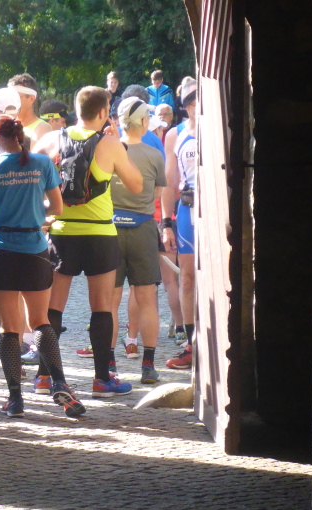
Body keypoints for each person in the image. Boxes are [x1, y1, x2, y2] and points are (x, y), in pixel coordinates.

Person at [0, 115, 85, 418]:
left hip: (0, 251)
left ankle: (15, 399)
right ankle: (59, 382)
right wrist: (35, 210)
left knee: (8, 329)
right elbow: (57, 207)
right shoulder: (42, 163)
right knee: (40, 321)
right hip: (34, 248)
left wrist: (2, 212)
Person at [33, 86, 143, 399]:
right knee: (102, 307)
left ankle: (44, 377)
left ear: (76, 110)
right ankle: (101, 379)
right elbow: (136, 185)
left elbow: (29, 173)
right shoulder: (109, 143)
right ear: (103, 113)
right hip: (99, 234)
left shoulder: (51, 140)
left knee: (53, 307)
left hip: (61, 231)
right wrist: (117, 146)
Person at [110, 97, 167, 385]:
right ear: (144, 122)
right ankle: (148, 364)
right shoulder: (154, 154)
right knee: (147, 299)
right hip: (143, 227)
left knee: (109, 301)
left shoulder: (107, 151)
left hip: (110, 229)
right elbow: (157, 194)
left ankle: (108, 365)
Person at [162, 79, 198, 370]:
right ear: (184, 106)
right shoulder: (176, 134)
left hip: (215, 209)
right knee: (187, 278)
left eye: (198, 101)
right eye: (190, 102)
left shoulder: (218, 127)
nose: (195, 107)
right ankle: (191, 344)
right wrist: (165, 222)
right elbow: (169, 181)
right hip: (188, 208)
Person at [8, 73, 52, 143]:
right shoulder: (8, 126)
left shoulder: (43, 128)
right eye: (9, 97)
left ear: (31, 99)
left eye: (16, 97)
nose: (11, 102)